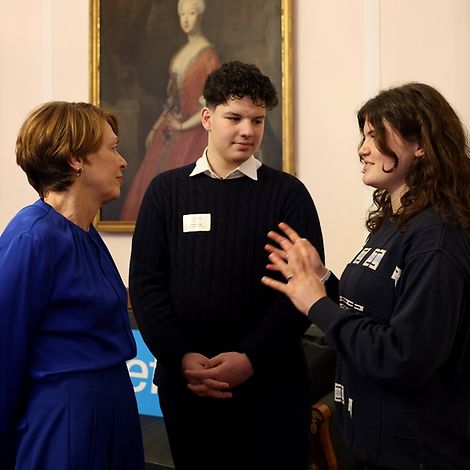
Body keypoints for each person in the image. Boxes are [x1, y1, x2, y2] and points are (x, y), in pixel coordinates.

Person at [262, 83, 470, 469]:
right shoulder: (395, 222)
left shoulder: (438, 236)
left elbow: (403, 356)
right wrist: (323, 280)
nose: (362, 149)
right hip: (372, 442)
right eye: (364, 136)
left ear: (420, 144)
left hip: (418, 454)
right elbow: (375, 314)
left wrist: (317, 305)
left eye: (376, 136)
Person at [129, 61, 325, 470]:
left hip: (272, 388)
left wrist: (250, 357)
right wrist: (181, 357)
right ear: (207, 117)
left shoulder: (289, 194)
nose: (247, 130)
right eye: (234, 117)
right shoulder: (165, 191)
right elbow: (147, 286)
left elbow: (301, 292)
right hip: (188, 389)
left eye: (257, 120)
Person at [0, 101, 145, 469]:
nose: (123, 161)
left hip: (112, 409)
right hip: (64, 421)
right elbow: (5, 352)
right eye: (112, 149)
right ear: (75, 159)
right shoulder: (33, 237)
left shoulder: (84, 232)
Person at [120, 0, 220, 220]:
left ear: (200, 16)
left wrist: (183, 125)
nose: (186, 18)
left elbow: (211, 104)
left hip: (196, 131)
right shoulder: (181, 53)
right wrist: (156, 127)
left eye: (191, 13)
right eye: (182, 13)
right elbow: (172, 98)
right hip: (170, 126)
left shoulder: (209, 56)